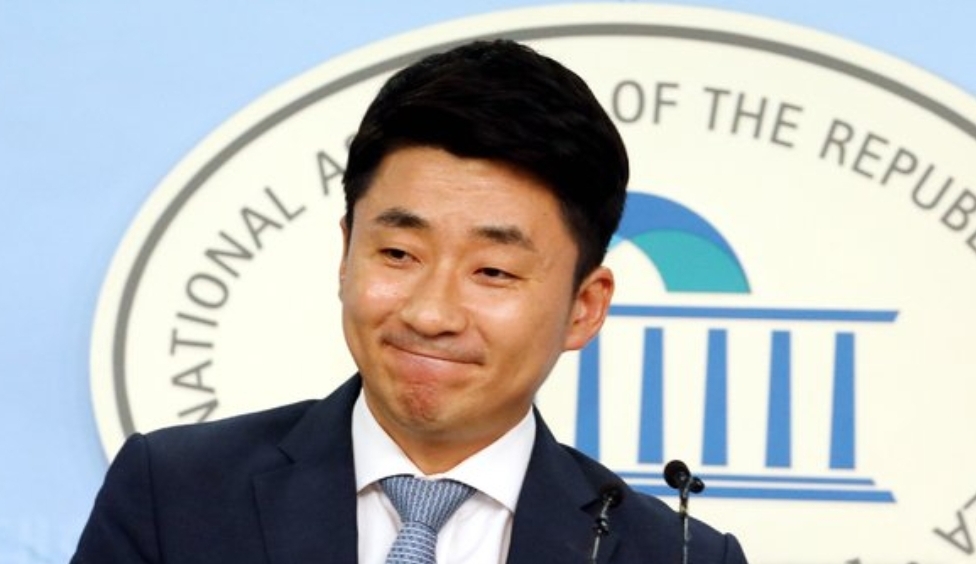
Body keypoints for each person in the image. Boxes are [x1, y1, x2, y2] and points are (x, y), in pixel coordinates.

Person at [71, 39, 748, 563]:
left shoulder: (676, 556)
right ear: (346, 254)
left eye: (493, 271)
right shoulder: (175, 493)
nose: (430, 314)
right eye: (398, 254)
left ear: (585, 307)